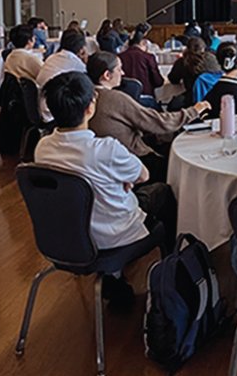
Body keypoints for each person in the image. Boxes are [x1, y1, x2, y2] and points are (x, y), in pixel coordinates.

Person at [34, 72, 178, 288]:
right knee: (162, 192)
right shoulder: (106, 149)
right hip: (113, 237)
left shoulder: (42, 148)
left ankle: (116, 277)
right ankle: (172, 273)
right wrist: (121, 181)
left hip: (65, 238)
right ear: (90, 108)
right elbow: (143, 175)